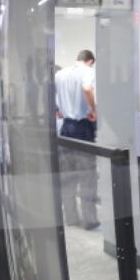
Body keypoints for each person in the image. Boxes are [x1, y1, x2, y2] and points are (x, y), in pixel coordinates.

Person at [55, 50, 99, 229]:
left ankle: (71, 218)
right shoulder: (87, 71)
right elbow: (87, 88)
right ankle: (90, 220)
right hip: (82, 127)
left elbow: (51, 95)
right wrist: (94, 109)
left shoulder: (60, 73)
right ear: (90, 61)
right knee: (87, 175)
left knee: (68, 175)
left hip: (66, 127)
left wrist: (58, 109)